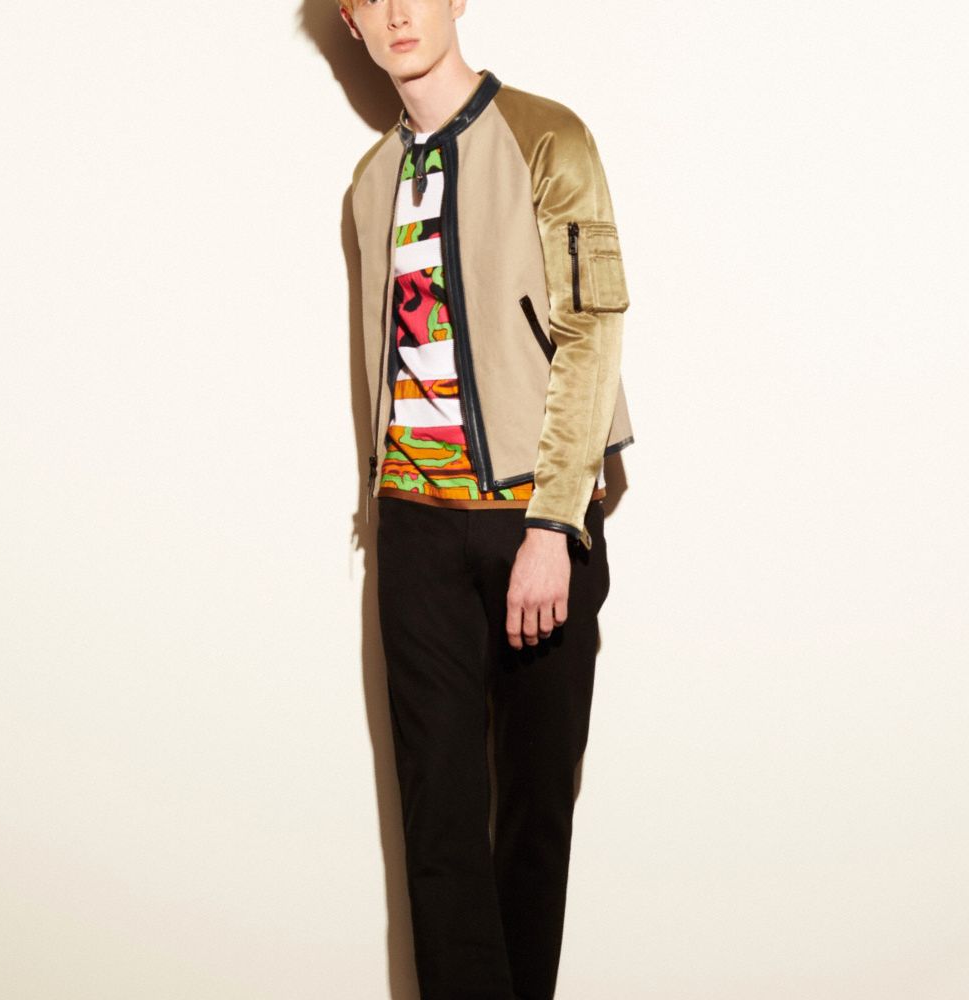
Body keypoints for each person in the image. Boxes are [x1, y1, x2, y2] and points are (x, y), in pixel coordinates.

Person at [337, 2, 634, 997]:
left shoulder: (547, 136)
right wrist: (380, 513)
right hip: (413, 529)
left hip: (534, 519)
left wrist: (554, 522)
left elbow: (592, 328)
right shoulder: (371, 183)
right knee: (438, 829)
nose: (398, 13)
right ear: (351, 22)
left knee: (534, 818)